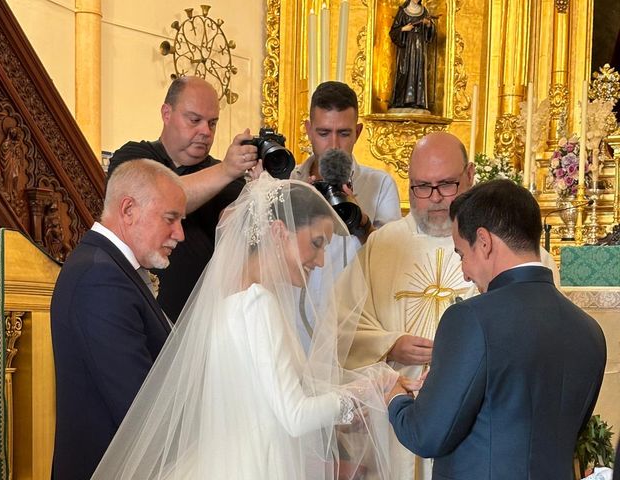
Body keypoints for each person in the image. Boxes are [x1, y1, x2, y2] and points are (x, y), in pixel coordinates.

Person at [92, 174, 402, 480]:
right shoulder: (257, 304)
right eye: (316, 243)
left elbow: (270, 395)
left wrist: (366, 387)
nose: (321, 261)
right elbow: (294, 415)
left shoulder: (230, 299)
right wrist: (366, 391)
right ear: (279, 232)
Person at [344, 131, 560, 480]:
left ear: (470, 175)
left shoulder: (512, 250)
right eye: (421, 186)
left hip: (482, 425)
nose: (434, 199)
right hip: (400, 419)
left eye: (446, 184)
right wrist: (390, 344)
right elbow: (341, 327)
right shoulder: (382, 246)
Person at [386, 179, 607, 479]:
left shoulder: (470, 319)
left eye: (462, 254)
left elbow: (425, 434)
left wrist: (395, 396)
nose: (464, 273)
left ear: (485, 241)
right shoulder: (590, 331)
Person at [50, 159, 186, 480]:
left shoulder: (108, 268)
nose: (179, 234)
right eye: (171, 218)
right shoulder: (101, 277)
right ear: (128, 210)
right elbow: (137, 405)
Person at [108, 76, 260, 321]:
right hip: (133, 311)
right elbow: (156, 201)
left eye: (212, 123)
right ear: (167, 113)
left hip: (199, 325)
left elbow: (241, 243)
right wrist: (226, 170)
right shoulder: (134, 157)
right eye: (194, 120)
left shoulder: (228, 181)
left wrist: (260, 190)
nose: (205, 131)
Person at [293, 80, 401, 348]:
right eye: (323, 132)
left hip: (355, 326)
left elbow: (390, 263)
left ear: (358, 132)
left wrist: (360, 219)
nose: (333, 145)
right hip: (294, 317)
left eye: (343, 133)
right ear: (307, 130)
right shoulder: (289, 180)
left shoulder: (380, 184)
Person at [389, 0, 435, 110]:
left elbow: (431, 33)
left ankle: (417, 101)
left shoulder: (424, 11)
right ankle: (401, 101)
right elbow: (393, 32)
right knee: (404, 71)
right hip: (406, 48)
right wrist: (404, 29)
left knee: (418, 71)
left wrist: (428, 25)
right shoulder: (403, 12)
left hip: (419, 48)